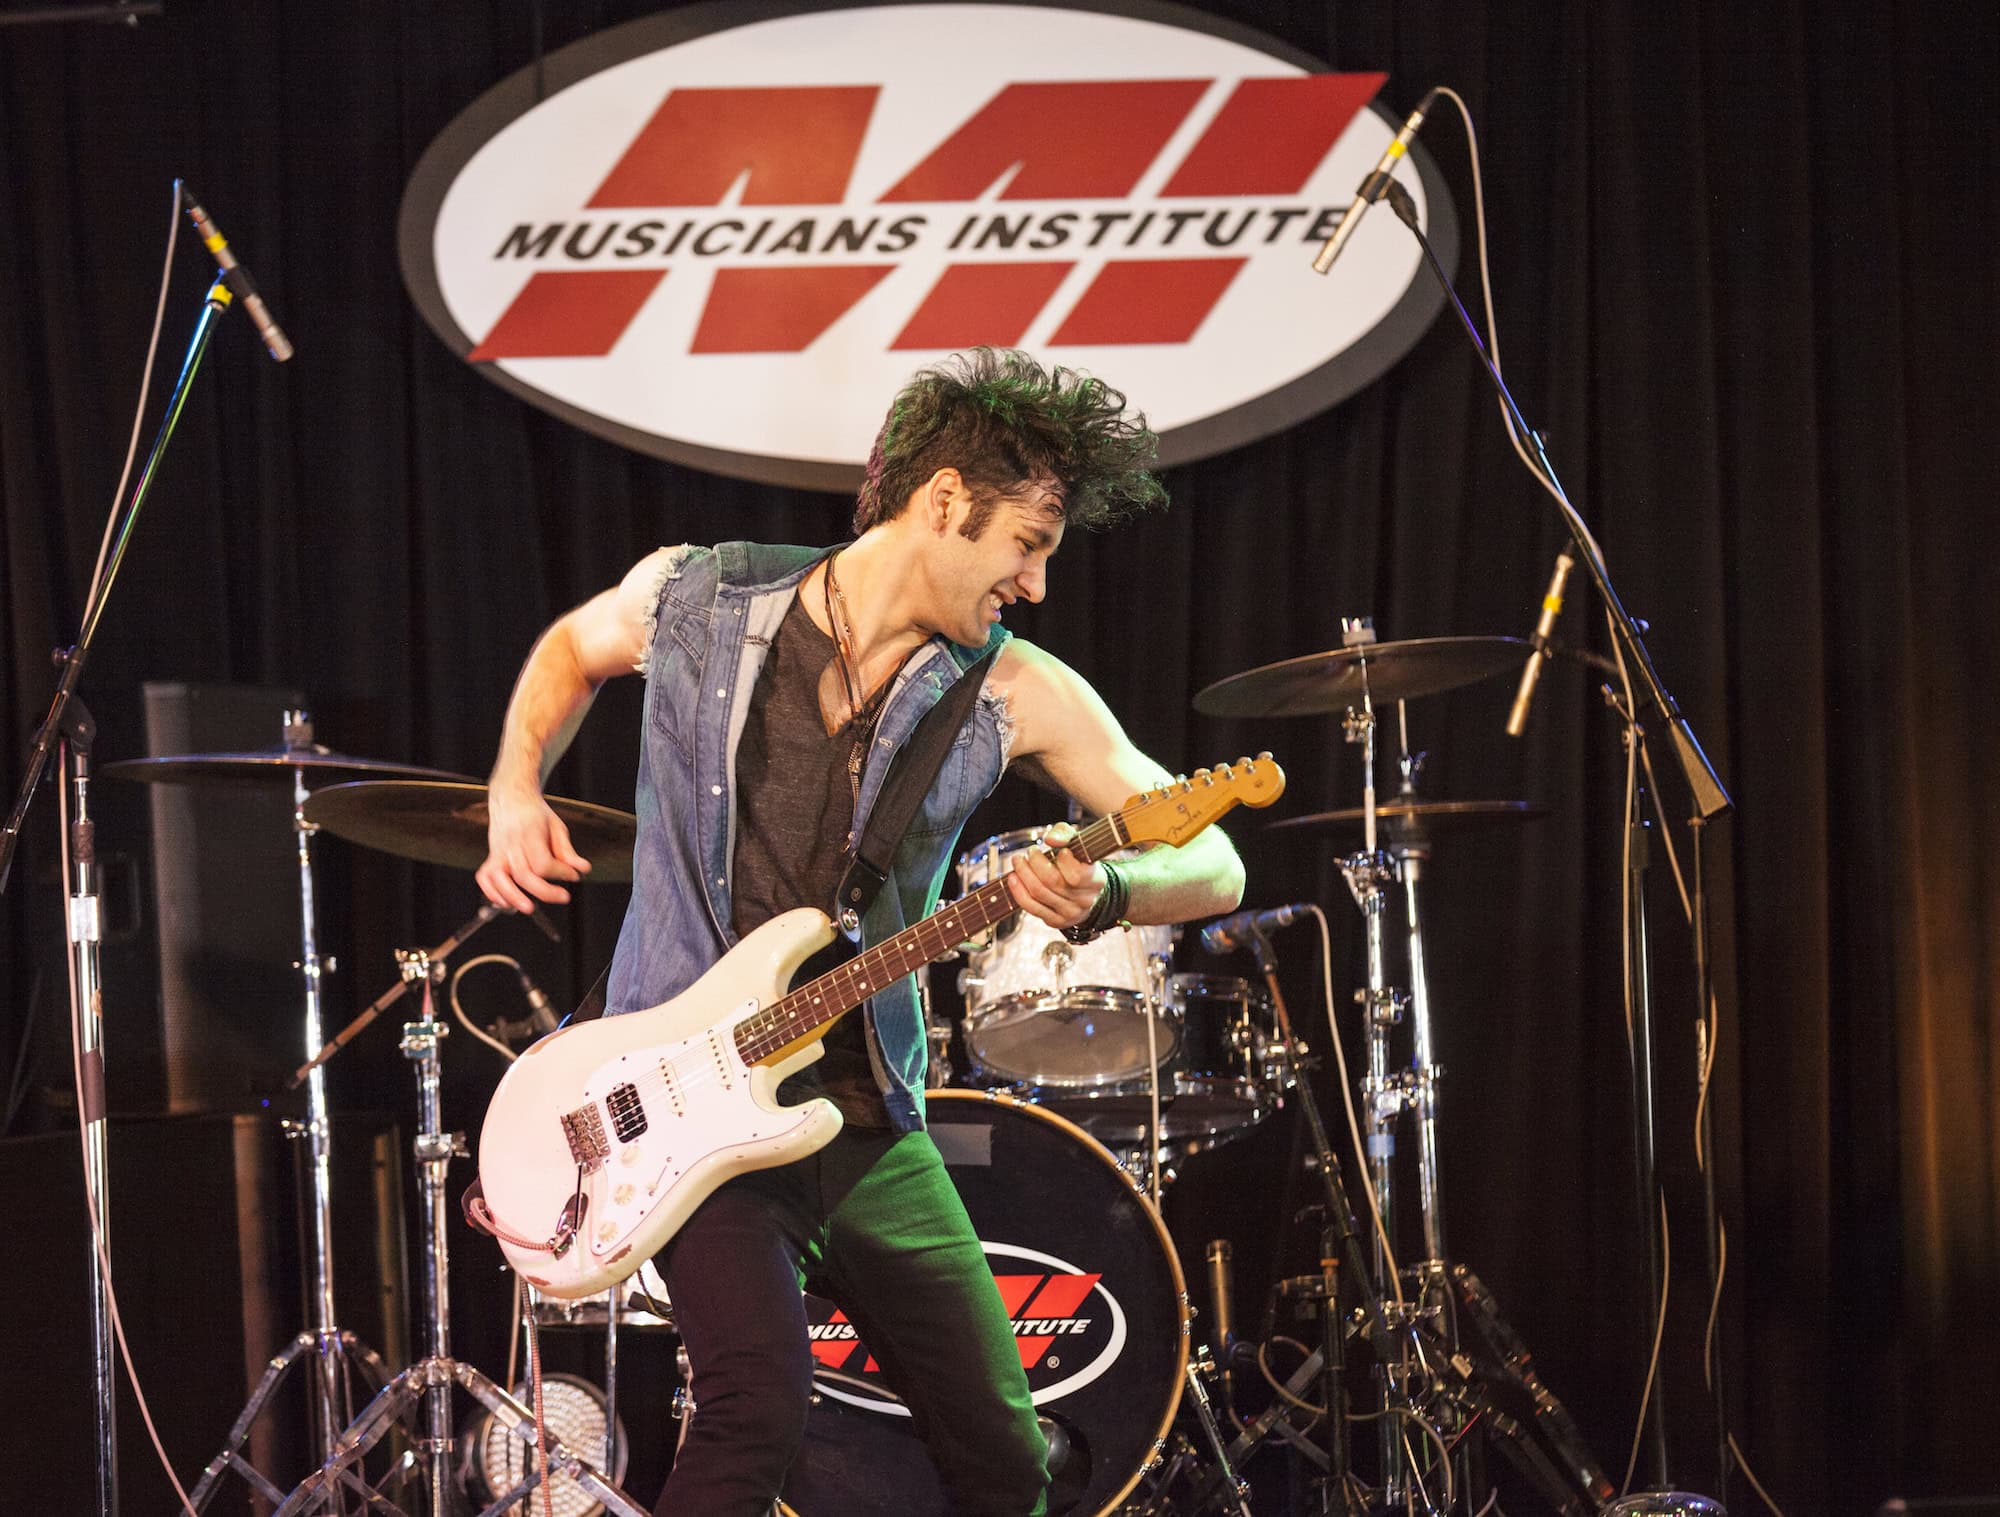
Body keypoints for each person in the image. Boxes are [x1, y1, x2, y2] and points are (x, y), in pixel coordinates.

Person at [475, 348, 1244, 1516]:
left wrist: (1111, 893)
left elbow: (1215, 858)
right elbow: (569, 650)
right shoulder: (696, 597)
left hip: (865, 1111)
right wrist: (512, 788)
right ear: (943, 500)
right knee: (753, 1411)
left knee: (1004, 1450)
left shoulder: (1011, 687)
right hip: (681, 1105)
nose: (1033, 583)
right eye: (1027, 541)